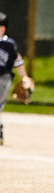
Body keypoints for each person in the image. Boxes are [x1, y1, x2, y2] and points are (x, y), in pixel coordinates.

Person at [0, 12, 29, 145]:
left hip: (4, 79)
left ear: (3, 28)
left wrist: (24, 77)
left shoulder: (9, 44)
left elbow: (18, 62)